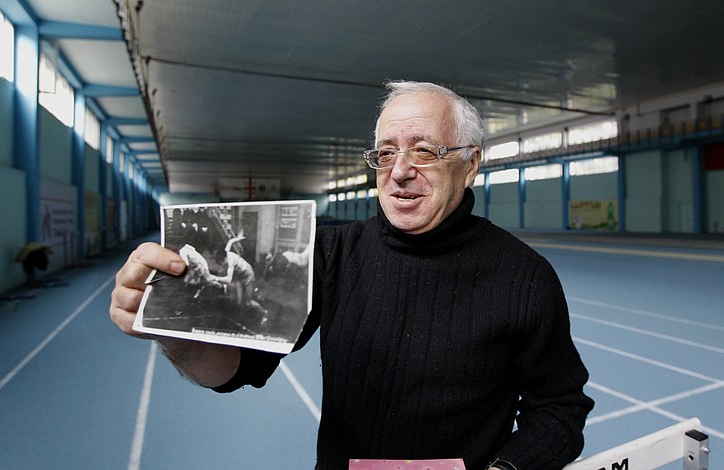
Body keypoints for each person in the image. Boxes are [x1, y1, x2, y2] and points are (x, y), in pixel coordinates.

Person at [110, 80, 594, 470]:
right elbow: (234, 369)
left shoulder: (525, 277)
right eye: (385, 153)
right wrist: (173, 332)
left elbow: (560, 409)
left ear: (469, 166)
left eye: (423, 151)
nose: (399, 170)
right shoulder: (328, 253)